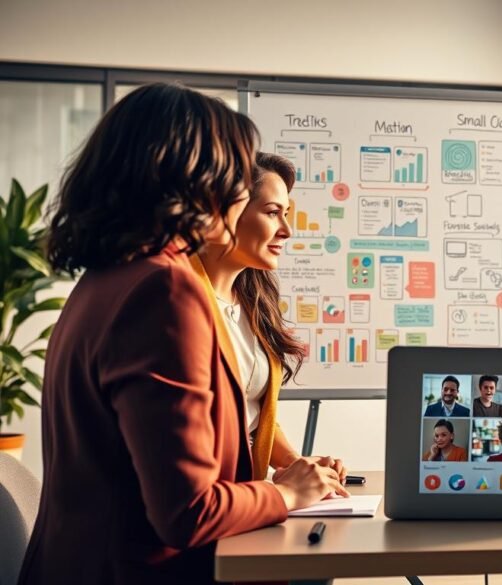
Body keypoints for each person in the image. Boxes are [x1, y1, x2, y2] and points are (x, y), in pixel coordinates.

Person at [19, 83, 341, 585]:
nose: (240, 193)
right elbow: (188, 512)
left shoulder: (107, 277)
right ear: (194, 180)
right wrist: (289, 494)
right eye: (233, 175)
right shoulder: (164, 290)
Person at [191, 152, 347, 481]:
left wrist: (294, 463)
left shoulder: (253, 299)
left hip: (245, 500)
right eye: (273, 213)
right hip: (210, 503)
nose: (287, 230)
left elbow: (251, 411)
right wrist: (284, 493)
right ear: (226, 212)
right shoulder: (183, 305)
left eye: (286, 214)